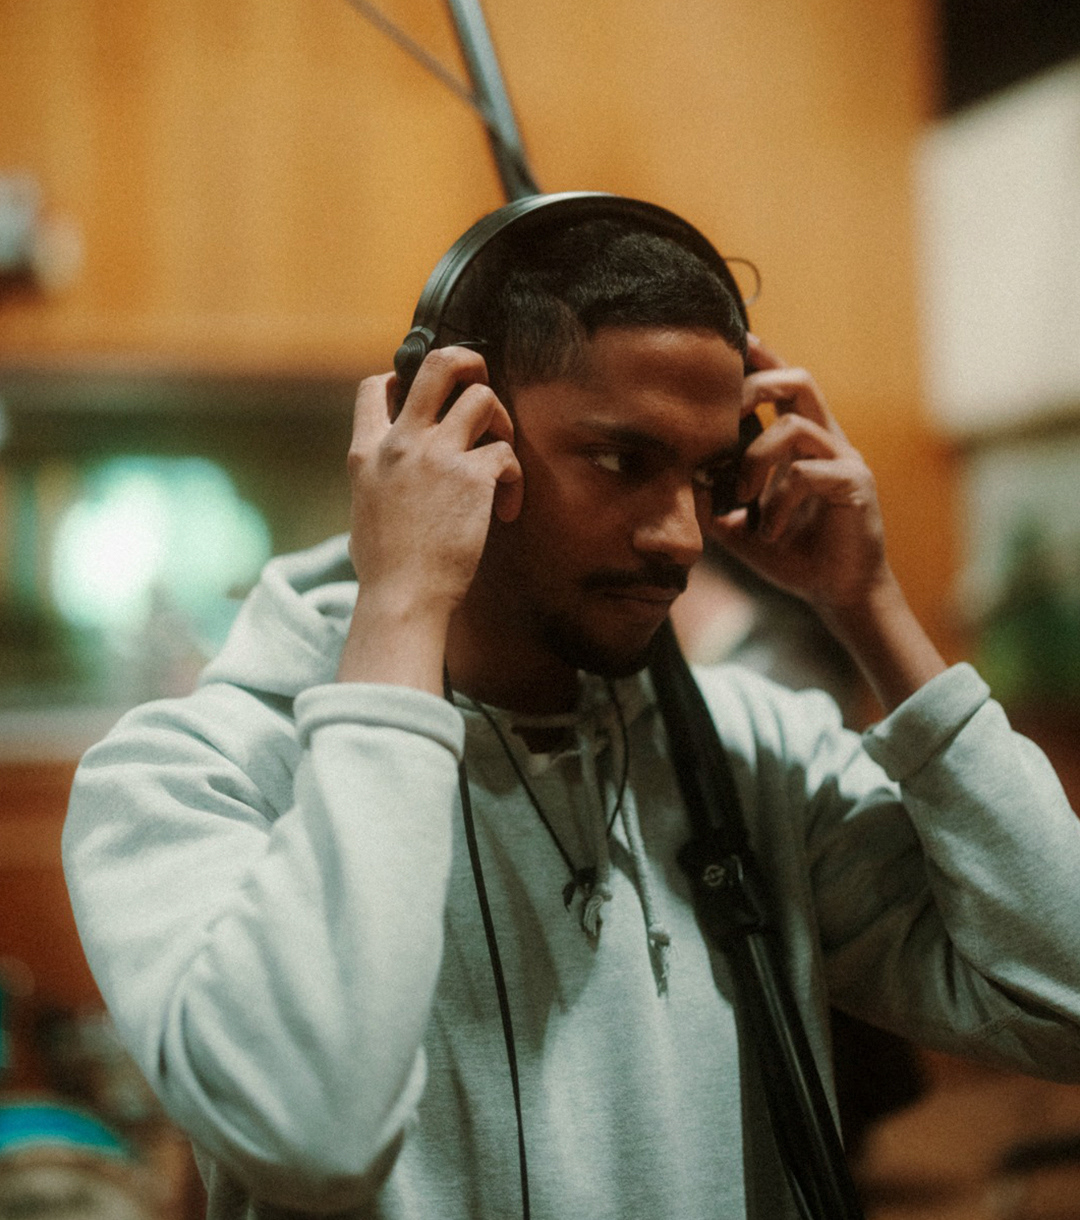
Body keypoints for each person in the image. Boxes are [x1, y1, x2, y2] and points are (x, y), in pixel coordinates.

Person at [62, 201, 1080, 1220]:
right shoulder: (188, 776)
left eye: (708, 474)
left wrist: (870, 607)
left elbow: (1065, 1003)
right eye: (624, 460)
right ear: (453, 428)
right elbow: (310, 1135)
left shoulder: (756, 750)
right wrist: (403, 595)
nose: (682, 536)